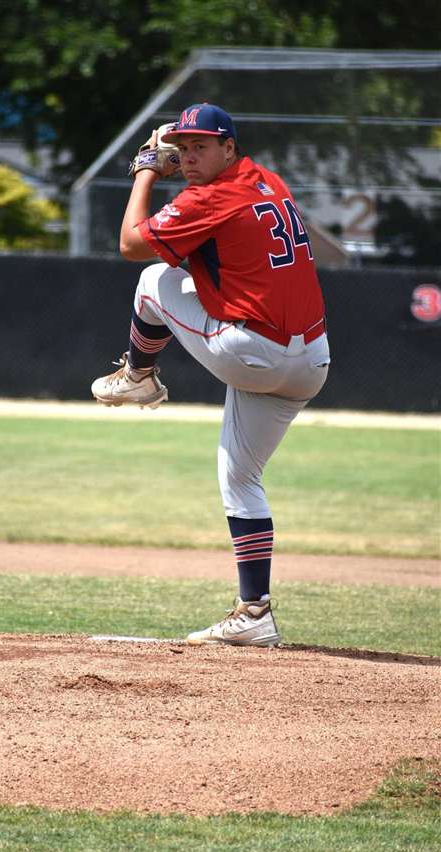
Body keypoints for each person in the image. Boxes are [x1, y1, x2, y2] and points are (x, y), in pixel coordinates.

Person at [91, 103, 330, 647]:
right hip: (309, 362)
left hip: (253, 351)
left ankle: (138, 376)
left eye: (202, 145)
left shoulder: (210, 197)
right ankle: (255, 614)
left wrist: (148, 168)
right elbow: (219, 239)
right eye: (184, 145)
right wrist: (179, 169)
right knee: (239, 481)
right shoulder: (268, 180)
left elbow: (130, 243)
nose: (190, 154)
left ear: (229, 148)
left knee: (153, 278)